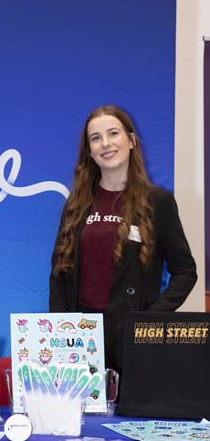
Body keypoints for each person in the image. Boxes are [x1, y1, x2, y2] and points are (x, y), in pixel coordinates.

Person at [49, 105, 197, 371]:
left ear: (131, 141)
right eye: (96, 138)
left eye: (113, 133)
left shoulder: (158, 202)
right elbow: (59, 272)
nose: (105, 143)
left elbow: (185, 272)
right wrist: (59, 328)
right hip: (78, 336)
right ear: (90, 151)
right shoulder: (76, 204)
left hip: (131, 333)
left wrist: (150, 320)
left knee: (130, 399)